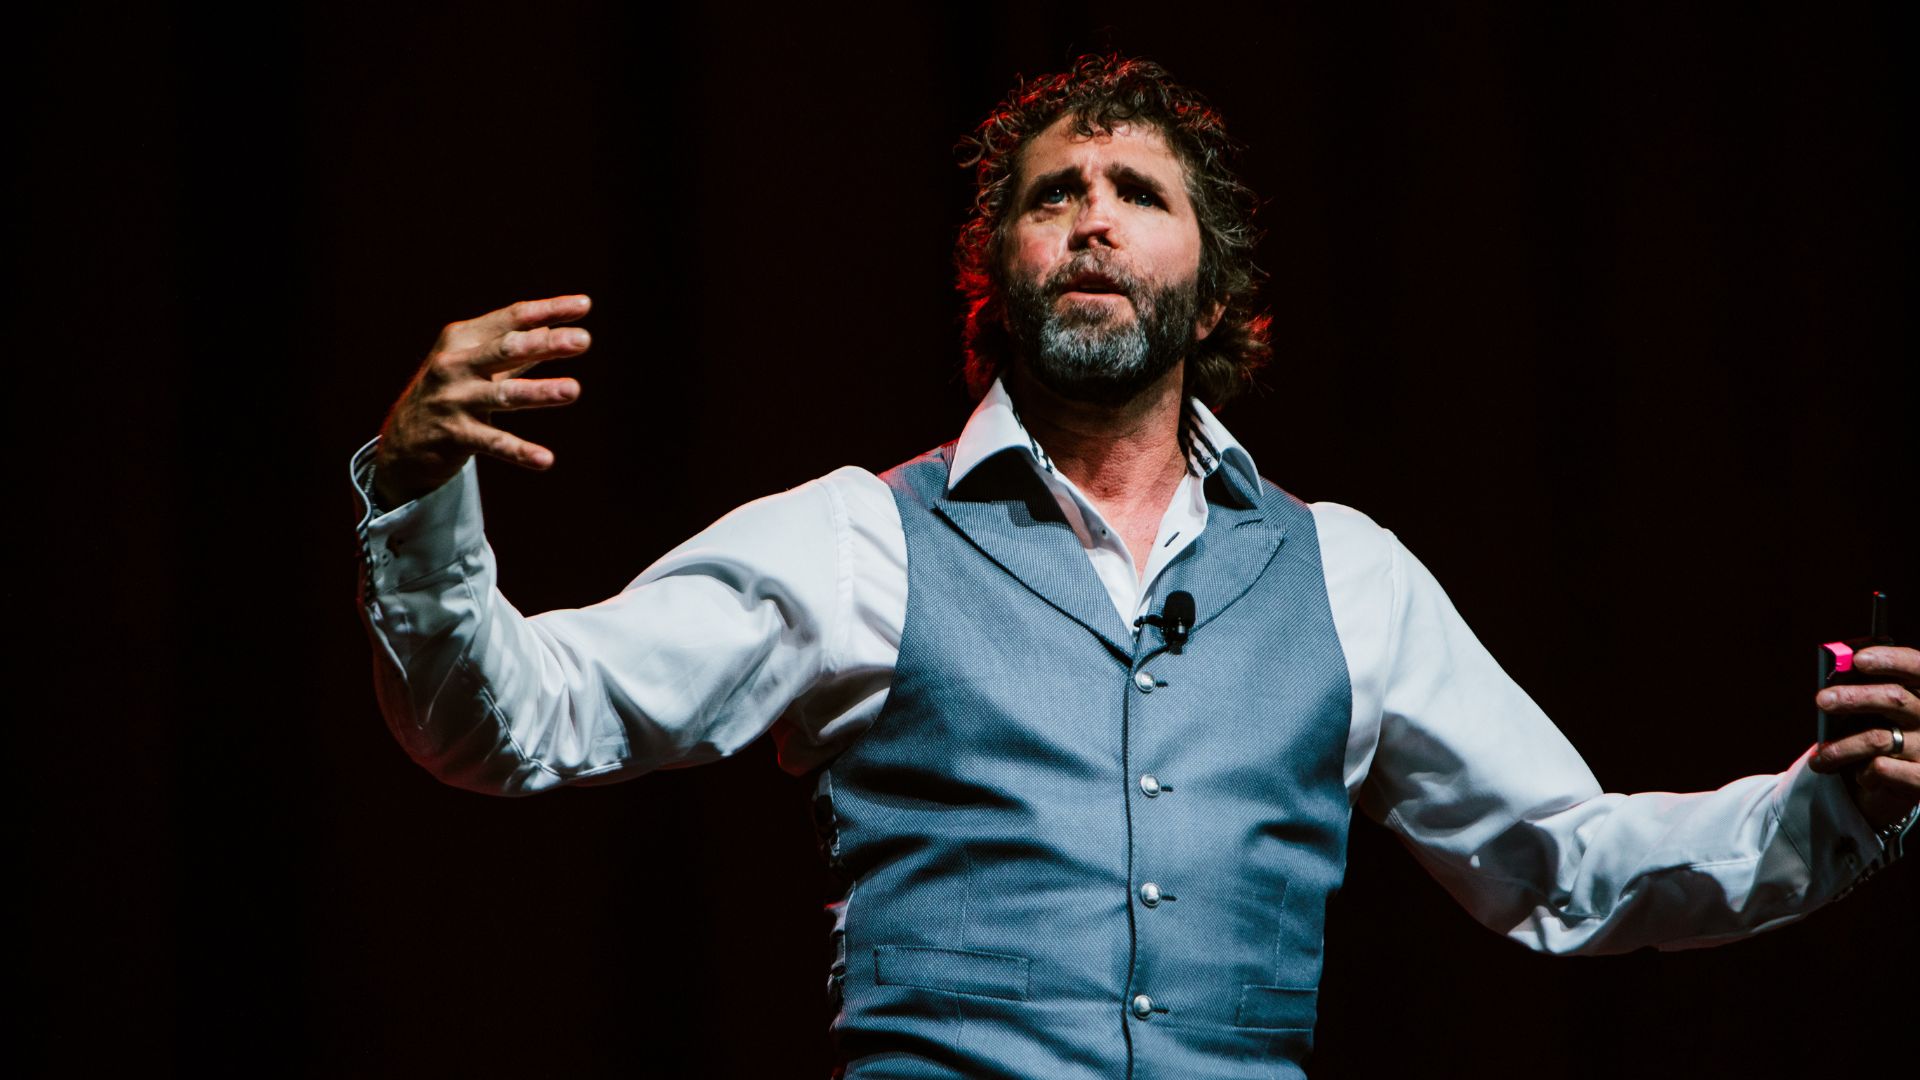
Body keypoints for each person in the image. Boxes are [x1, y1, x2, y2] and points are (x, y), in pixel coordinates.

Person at [353, 55, 1918, 1079]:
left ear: (1211, 283)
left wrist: (1825, 809)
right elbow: (513, 721)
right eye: (1053, 197)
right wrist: (422, 496)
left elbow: (1565, 865)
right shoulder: (856, 540)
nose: (1092, 222)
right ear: (999, 268)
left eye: (1136, 197)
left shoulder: (1344, 577)